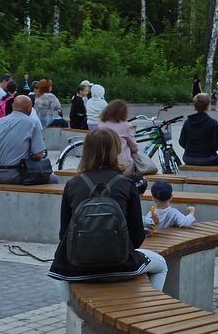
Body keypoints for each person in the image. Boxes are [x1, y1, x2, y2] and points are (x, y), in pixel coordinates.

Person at [47, 127, 168, 301]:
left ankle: (76, 312)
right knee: (162, 265)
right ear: (116, 150)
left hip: (77, 267)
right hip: (121, 265)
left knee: (60, 274)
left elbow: (63, 234)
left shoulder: (73, 185)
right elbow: (136, 238)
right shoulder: (126, 185)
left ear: (86, 151)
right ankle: (145, 308)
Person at [0, 96, 59, 184]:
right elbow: (39, 155)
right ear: (29, 108)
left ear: (12, 106)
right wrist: (27, 155)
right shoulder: (32, 123)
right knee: (54, 180)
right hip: (12, 175)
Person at [99, 100, 139, 176]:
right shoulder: (126, 125)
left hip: (104, 163)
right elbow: (134, 148)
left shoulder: (101, 125)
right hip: (123, 164)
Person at [179, 93, 218, 166]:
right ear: (207, 106)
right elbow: (216, 144)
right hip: (206, 157)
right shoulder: (212, 123)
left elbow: (182, 141)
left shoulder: (188, 122)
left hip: (188, 157)